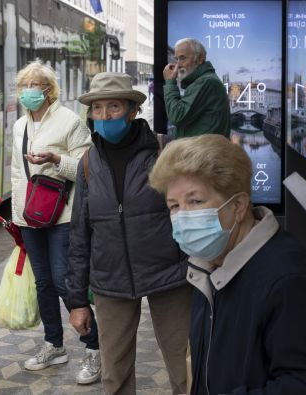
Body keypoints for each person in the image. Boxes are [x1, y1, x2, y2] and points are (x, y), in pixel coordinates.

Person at [148, 134, 306, 394]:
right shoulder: (208, 265)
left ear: (239, 206)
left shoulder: (289, 280)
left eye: (195, 201)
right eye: (174, 206)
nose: (182, 216)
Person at [66, 72, 192, 395]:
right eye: (98, 109)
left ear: (132, 111)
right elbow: (79, 235)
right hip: (111, 281)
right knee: (115, 376)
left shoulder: (164, 151)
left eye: (114, 107)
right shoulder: (87, 164)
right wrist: (78, 301)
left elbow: (192, 211)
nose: (105, 117)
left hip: (170, 276)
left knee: (187, 368)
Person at [10, 60, 101, 384]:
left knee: (65, 280)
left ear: (48, 90)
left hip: (63, 214)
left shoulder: (70, 122)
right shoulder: (20, 126)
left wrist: (55, 160)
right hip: (30, 218)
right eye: (23, 86)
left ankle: (94, 348)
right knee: (44, 283)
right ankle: (54, 344)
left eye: (33, 86)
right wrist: (17, 217)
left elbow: (87, 169)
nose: (27, 92)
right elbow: (18, 174)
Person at [163, 38, 230, 138]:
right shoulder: (203, 80)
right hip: (200, 151)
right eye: (177, 59)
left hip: (202, 152)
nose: (178, 65)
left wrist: (170, 82)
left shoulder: (206, 82)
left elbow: (176, 116)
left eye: (182, 58)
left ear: (199, 59)